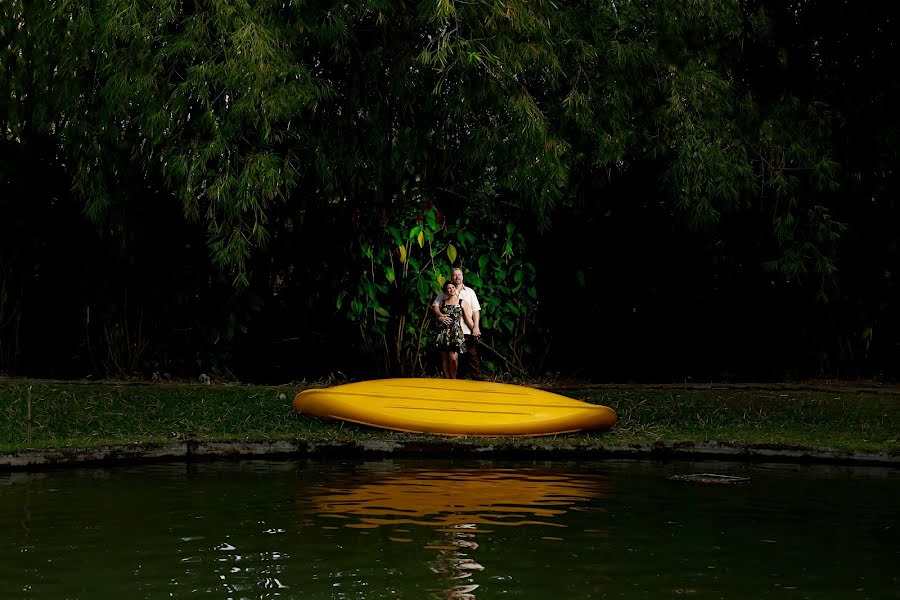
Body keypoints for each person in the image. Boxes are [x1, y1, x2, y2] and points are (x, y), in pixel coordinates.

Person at [432, 268, 482, 379]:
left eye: (459, 275)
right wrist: (440, 316)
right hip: (447, 332)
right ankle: (452, 382)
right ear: (451, 277)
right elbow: (435, 306)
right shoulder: (444, 292)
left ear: (463, 276)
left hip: (465, 330)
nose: (457, 277)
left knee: (471, 356)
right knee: (449, 358)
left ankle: (477, 382)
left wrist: (475, 328)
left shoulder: (469, 292)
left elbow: (475, 311)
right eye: (454, 275)